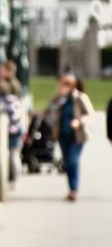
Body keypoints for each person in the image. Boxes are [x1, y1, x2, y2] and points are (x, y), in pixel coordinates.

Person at [50, 73, 94, 201]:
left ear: (71, 86)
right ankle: (71, 188)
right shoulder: (59, 100)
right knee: (67, 162)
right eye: (60, 85)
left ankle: (74, 190)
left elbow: (90, 114)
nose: (61, 87)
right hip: (63, 136)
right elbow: (49, 115)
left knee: (73, 161)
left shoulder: (80, 97)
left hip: (77, 135)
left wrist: (79, 121)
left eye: (64, 85)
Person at [0, 75, 22, 185]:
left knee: (12, 155)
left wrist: (10, 128)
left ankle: (14, 178)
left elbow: (14, 118)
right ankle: (15, 177)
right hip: (16, 130)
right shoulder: (15, 100)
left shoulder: (7, 100)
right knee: (14, 155)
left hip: (12, 131)